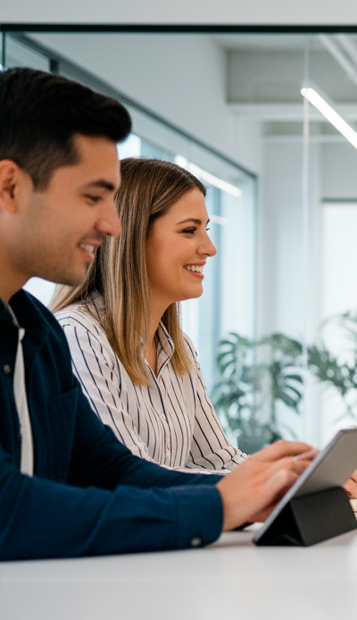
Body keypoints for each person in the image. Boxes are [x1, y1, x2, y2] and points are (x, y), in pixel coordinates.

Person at [0, 67, 312, 561]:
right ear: (9, 186)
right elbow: (9, 509)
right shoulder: (71, 332)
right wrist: (214, 505)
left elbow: (107, 469)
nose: (109, 224)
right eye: (91, 197)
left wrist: (255, 489)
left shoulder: (34, 333)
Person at [50, 157, 357, 496]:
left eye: (207, 230)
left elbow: (215, 459)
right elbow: (128, 476)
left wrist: (301, 476)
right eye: (189, 230)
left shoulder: (177, 349)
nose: (209, 248)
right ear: (130, 237)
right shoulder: (79, 336)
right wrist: (274, 483)